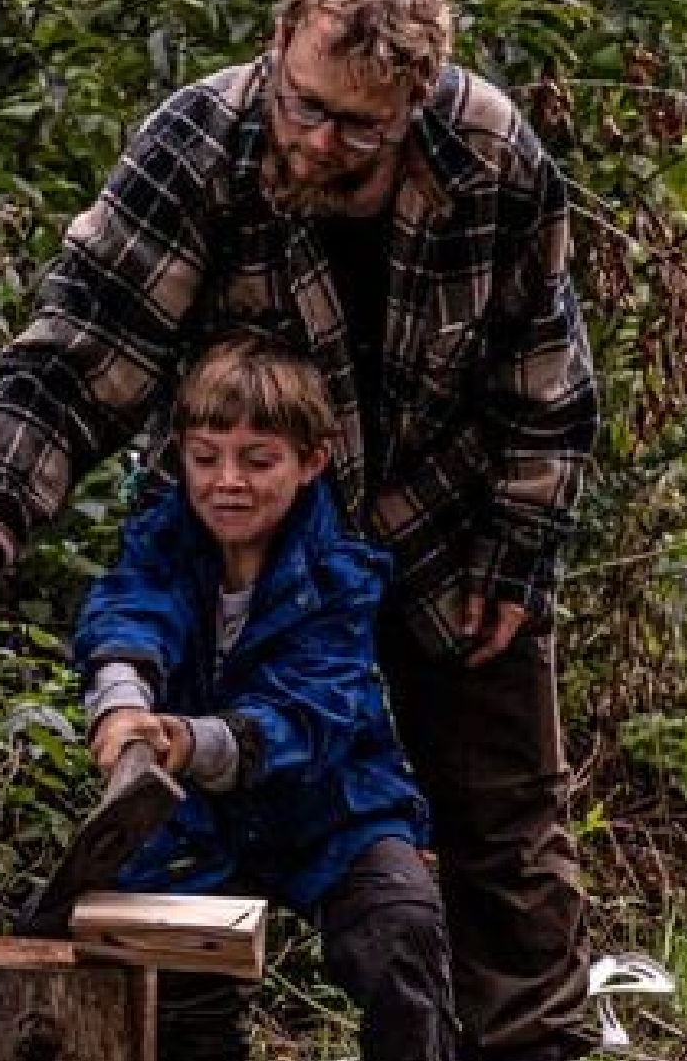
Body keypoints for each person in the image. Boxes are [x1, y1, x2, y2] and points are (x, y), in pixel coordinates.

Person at [0, 0, 604, 1061]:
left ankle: (530, 1051)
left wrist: (521, 554)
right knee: (191, 824)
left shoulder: (495, 156)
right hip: (246, 551)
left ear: (417, 101)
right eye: (305, 106)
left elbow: (547, 377)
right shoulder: (198, 145)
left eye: (360, 128)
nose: (319, 142)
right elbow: (78, 357)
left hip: (451, 533)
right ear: (277, 51)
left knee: (504, 833)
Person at [77, 336, 451, 1061]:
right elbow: (126, 616)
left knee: (402, 933)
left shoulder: (341, 575)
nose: (228, 482)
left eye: (258, 460)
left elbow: (307, 717)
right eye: (206, 457)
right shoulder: (160, 544)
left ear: (310, 461)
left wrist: (187, 742)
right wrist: (122, 706)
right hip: (194, 817)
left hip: (333, 806)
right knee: (171, 987)